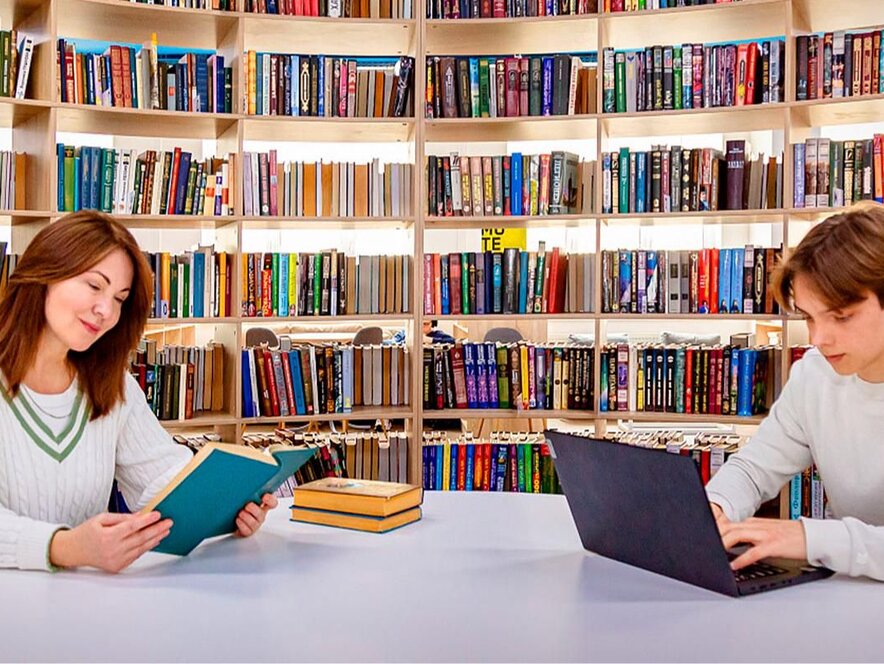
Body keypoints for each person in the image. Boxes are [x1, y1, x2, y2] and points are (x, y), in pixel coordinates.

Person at [0, 211, 277, 573]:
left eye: (120, 298)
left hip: (85, 597)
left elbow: (162, 476)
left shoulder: (112, 386)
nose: (105, 310)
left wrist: (227, 504)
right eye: (94, 285)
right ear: (45, 274)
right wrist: (62, 547)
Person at [705, 202, 884, 580]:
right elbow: (753, 469)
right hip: (852, 595)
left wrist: (811, 538)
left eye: (841, 316)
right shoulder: (814, 375)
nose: (818, 338)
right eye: (808, 317)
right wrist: (714, 510)